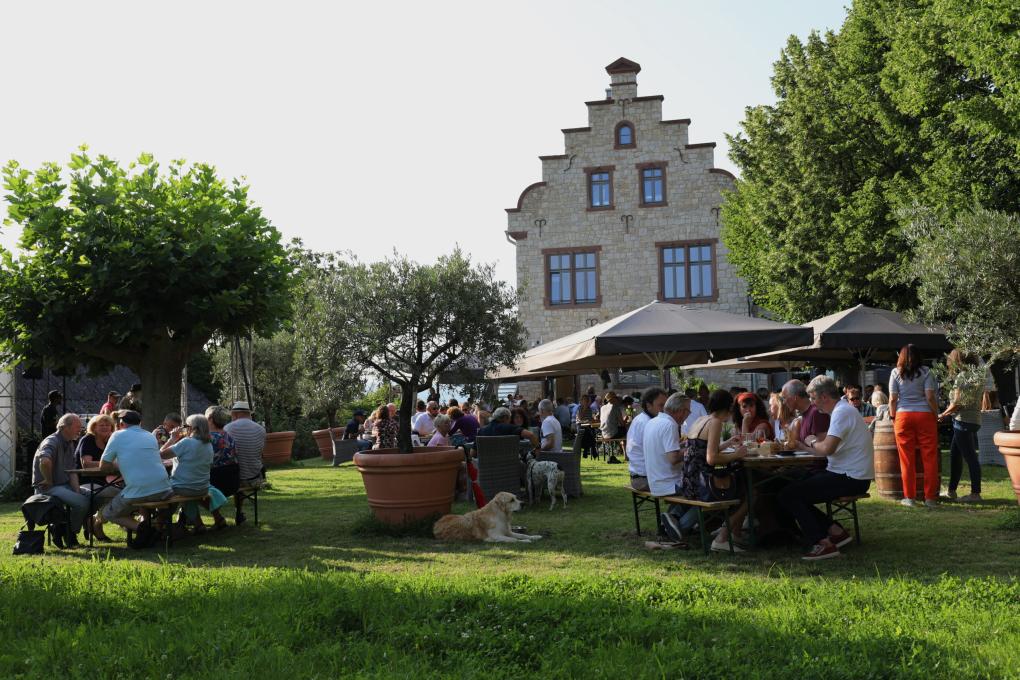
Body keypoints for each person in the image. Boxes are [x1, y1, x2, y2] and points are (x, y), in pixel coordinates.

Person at [779, 375, 874, 560]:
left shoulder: (841, 412)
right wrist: (804, 446)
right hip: (849, 474)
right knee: (790, 490)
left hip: (851, 478)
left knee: (790, 495)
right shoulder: (842, 410)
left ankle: (823, 544)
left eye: (813, 398)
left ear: (824, 397)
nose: (813, 403)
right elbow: (824, 451)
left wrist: (812, 441)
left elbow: (826, 449)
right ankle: (835, 531)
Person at [667, 390, 748, 551]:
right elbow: (711, 459)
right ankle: (722, 538)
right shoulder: (716, 422)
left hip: (688, 480)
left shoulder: (701, 420)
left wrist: (728, 443)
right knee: (750, 493)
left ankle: (728, 532)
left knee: (740, 484)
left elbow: (701, 450)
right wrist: (737, 455)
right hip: (704, 484)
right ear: (728, 408)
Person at [91, 410, 173, 539]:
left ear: (121, 423)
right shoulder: (150, 435)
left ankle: (145, 530)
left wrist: (119, 464)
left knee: (108, 513)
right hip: (163, 488)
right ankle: (147, 529)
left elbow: (104, 466)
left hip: (139, 491)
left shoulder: (117, 435)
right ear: (140, 423)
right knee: (133, 500)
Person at [889, 344, 940, 507]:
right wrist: (936, 414)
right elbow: (930, 397)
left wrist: (892, 416)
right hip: (925, 415)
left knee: (906, 459)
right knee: (929, 457)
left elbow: (892, 399)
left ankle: (909, 498)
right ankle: (930, 498)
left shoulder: (895, 372)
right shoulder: (927, 372)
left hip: (903, 416)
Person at [31, 413, 87, 548]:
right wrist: (48, 480)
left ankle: (63, 527)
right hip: (49, 488)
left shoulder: (69, 442)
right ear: (64, 427)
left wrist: (77, 490)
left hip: (63, 485)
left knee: (92, 497)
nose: (81, 430)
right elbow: (44, 461)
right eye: (78, 427)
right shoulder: (51, 441)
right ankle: (69, 533)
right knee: (82, 503)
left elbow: (71, 471)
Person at [938, 350, 984, 502]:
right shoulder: (977, 376)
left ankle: (975, 494)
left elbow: (957, 403)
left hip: (962, 421)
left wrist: (942, 414)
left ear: (958, 361)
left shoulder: (962, 377)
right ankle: (951, 491)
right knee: (955, 455)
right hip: (974, 420)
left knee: (970, 457)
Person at [160, 414, 215, 531]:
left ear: (193, 428)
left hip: (183, 487)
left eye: (186, 426)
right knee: (187, 493)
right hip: (202, 487)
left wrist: (172, 439)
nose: (183, 428)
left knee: (160, 491)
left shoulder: (187, 442)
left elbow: (161, 454)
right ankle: (198, 524)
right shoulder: (208, 444)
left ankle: (160, 523)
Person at [224, 401, 267, 524]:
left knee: (235, 471)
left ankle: (231, 514)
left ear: (235, 414)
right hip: (255, 478)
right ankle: (239, 512)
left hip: (234, 479)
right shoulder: (261, 429)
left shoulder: (227, 428)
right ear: (249, 414)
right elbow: (260, 454)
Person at [626, 387, 667, 492]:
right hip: (645, 479)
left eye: (666, 405)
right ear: (648, 405)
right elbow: (662, 454)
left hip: (642, 476)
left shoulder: (642, 418)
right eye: (661, 405)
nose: (664, 409)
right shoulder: (647, 423)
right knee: (689, 487)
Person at [205, 405, 240, 527]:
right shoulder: (229, 436)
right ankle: (216, 518)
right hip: (233, 482)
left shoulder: (207, 439)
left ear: (210, 419)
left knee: (189, 486)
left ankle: (195, 522)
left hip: (216, 482)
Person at [781, 379, 830, 449]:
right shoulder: (805, 414)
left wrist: (799, 446)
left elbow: (823, 447)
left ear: (795, 398)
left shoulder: (816, 412)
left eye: (784, 398)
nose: (784, 402)